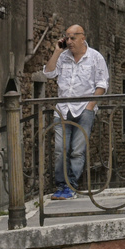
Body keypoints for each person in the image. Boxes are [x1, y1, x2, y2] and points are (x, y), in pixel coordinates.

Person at [41, 24, 108, 199]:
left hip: (84, 109)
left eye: (73, 38)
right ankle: (61, 185)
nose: (69, 42)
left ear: (82, 37)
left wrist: (90, 107)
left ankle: (71, 187)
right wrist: (57, 51)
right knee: (60, 149)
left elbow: (102, 84)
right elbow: (48, 73)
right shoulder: (63, 57)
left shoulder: (95, 58)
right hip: (62, 110)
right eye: (67, 38)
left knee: (77, 150)